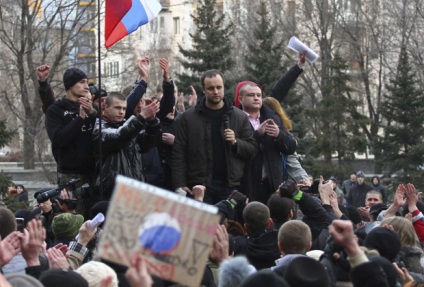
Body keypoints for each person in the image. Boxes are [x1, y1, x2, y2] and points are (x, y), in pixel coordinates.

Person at [172, 69, 257, 204]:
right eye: (211, 88)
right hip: (199, 186)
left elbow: (252, 149)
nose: (216, 92)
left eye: (219, 87)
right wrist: (180, 184)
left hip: (230, 186)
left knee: (226, 225)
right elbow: (179, 152)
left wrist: (236, 142)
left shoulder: (238, 116)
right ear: (203, 89)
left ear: (224, 87)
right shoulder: (188, 117)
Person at [92, 92, 161, 200]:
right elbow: (118, 136)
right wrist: (142, 116)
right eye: (117, 108)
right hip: (112, 194)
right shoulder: (99, 129)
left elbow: (149, 142)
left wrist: (152, 121)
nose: (121, 112)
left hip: (135, 192)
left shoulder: (130, 128)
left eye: (124, 109)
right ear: (106, 107)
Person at [237, 82, 297, 203]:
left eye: (259, 95)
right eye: (251, 95)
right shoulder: (234, 118)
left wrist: (278, 135)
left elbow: (291, 147)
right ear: (240, 98)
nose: (256, 98)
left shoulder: (272, 118)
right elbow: (236, 149)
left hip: (272, 185)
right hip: (247, 185)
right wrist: (257, 134)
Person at [45, 67, 97, 187]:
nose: (87, 86)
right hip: (70, 175)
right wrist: (80, 118)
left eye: (87, 82)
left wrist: (92, 114)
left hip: (93, 174)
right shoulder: (56, 110)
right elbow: (59, 139)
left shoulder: (92, 109)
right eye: (82, 82)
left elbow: (104, 134)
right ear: (70, 85)